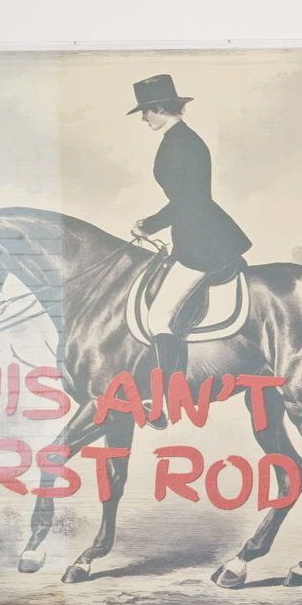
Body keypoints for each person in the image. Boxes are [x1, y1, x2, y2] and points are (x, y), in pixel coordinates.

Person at [126, 74, 251, 425]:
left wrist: (149, 224)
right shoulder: (179, 139)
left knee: (158, 318)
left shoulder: (181, 144)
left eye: (146, 111)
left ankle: (165, 401)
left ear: (159, 108)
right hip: (196, 233)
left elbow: (189, 200)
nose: (144, 118)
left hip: (203, 242)